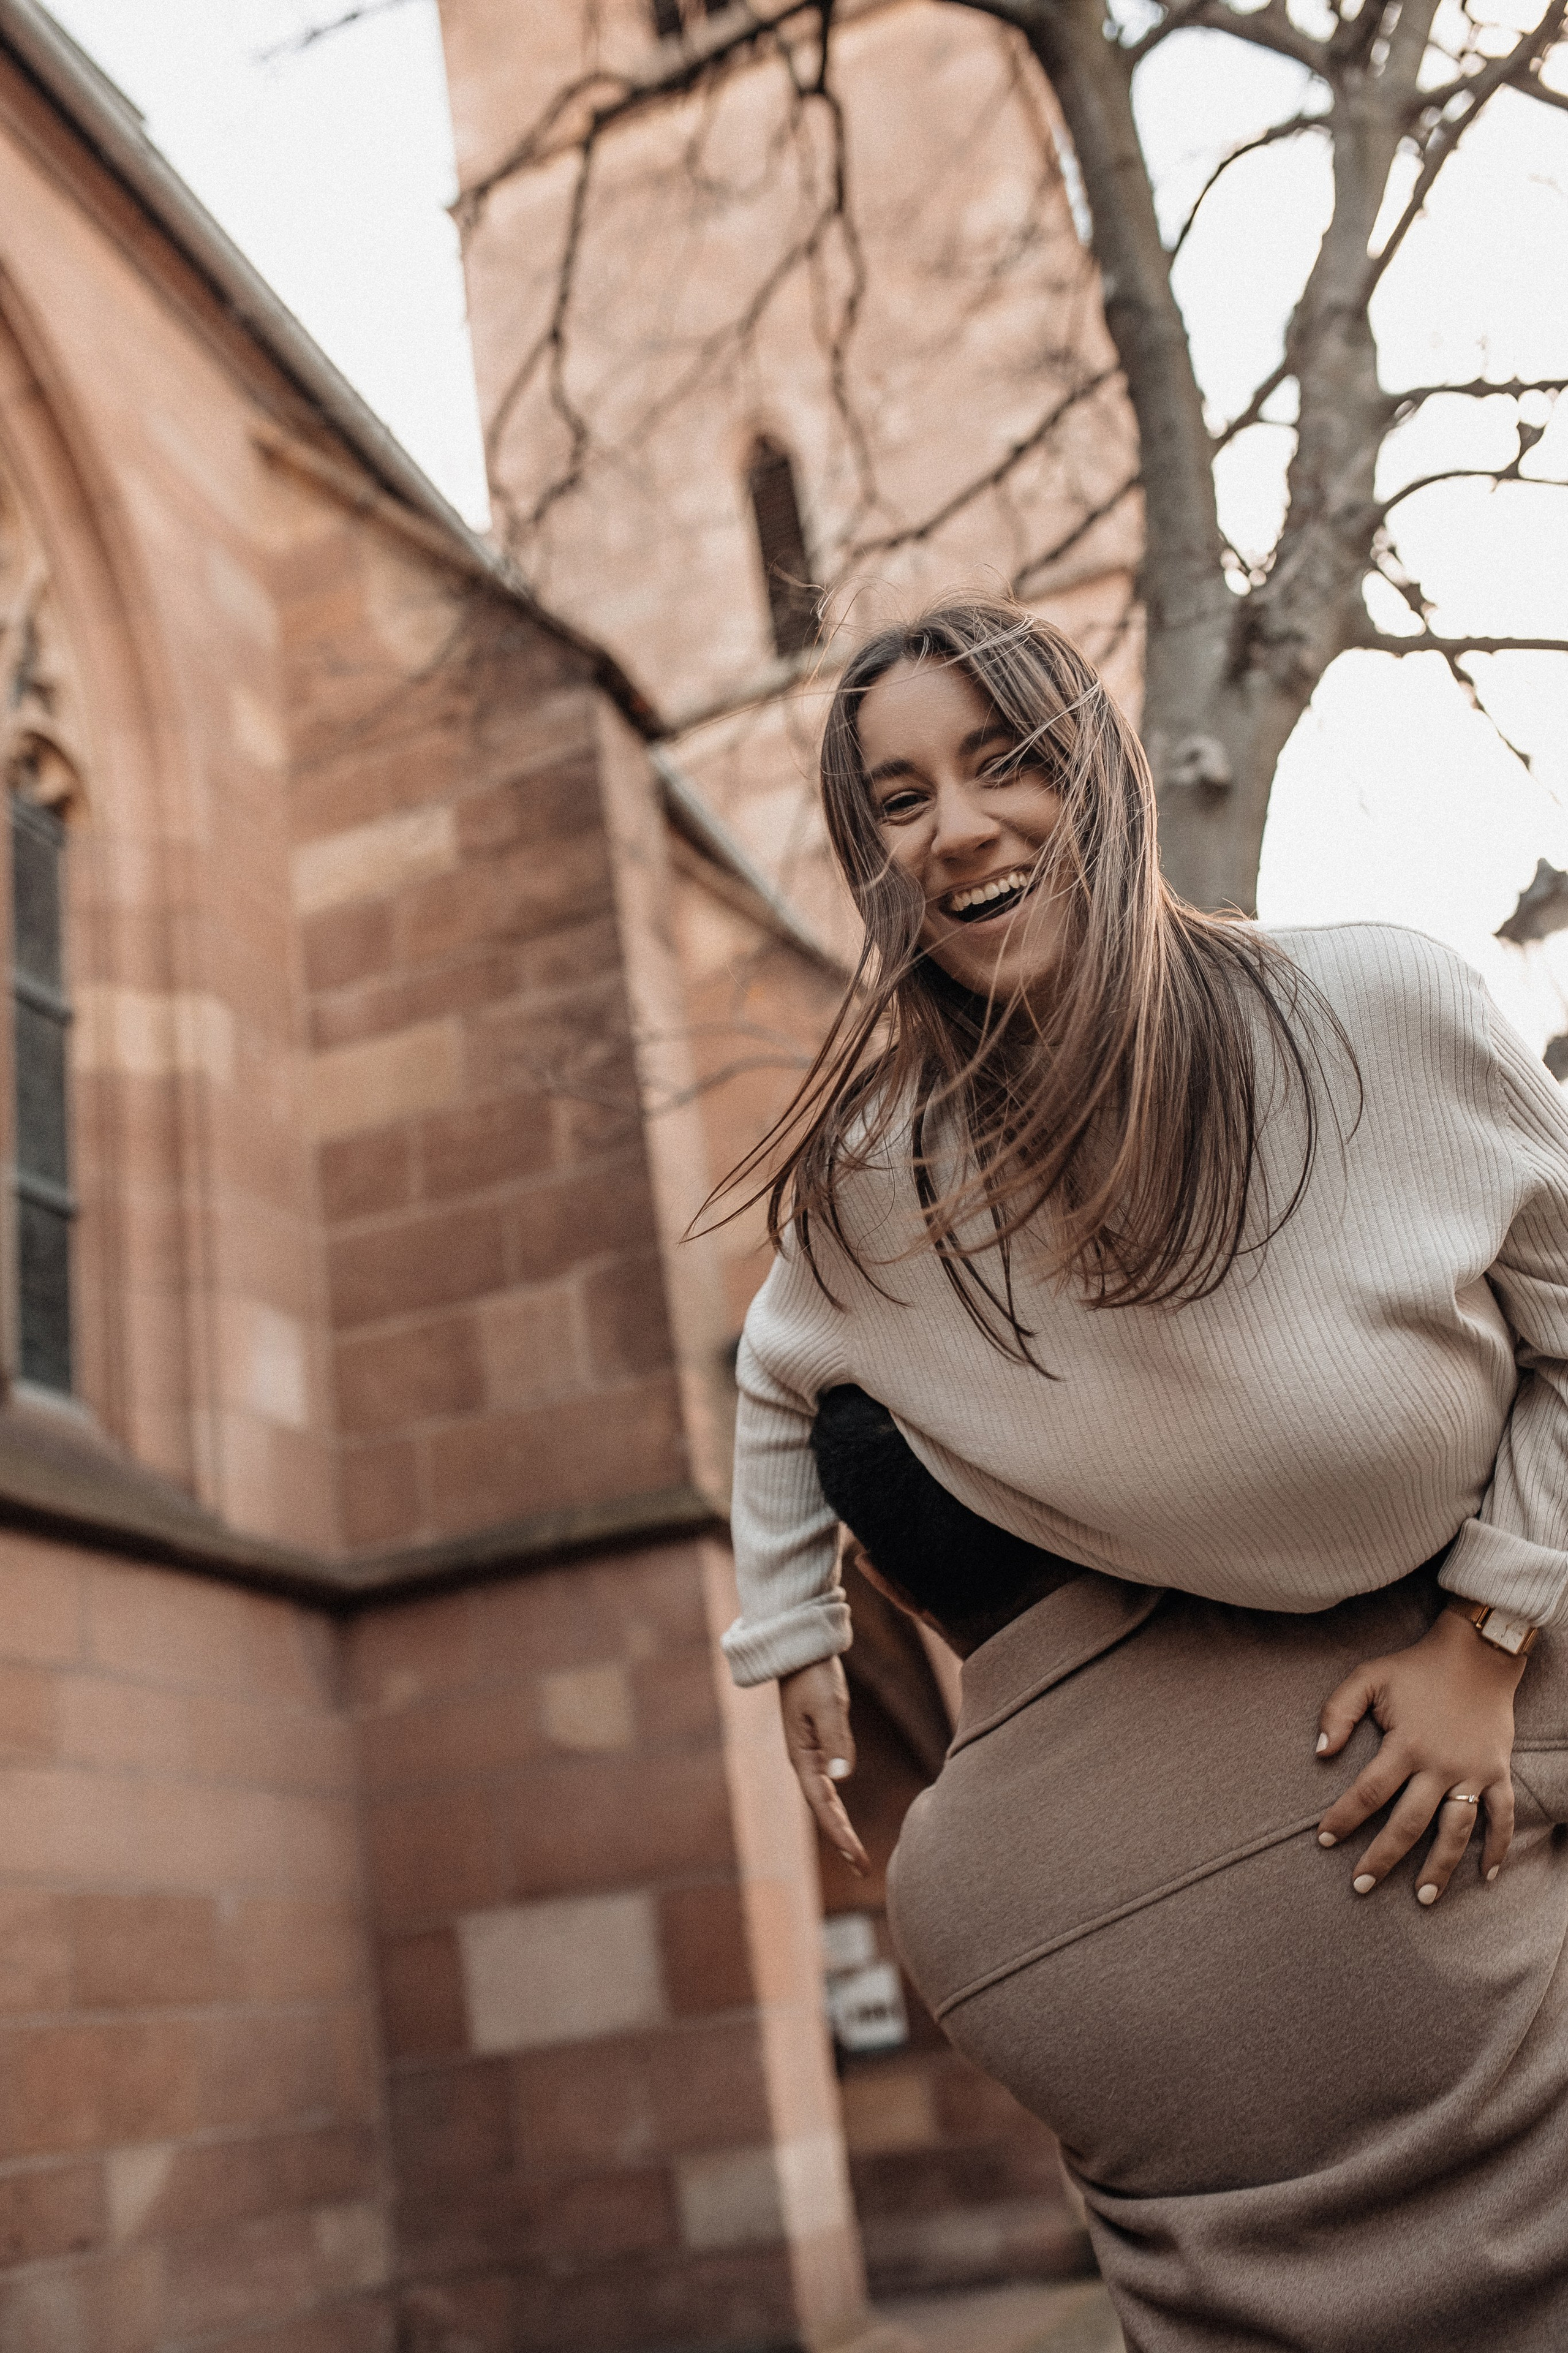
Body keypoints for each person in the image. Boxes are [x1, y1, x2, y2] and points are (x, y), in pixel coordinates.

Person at [712, 597, 1568, 2349]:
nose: (958, 823)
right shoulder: (888, 1182)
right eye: (896, 796)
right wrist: (780, 1616)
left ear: (1098, 768)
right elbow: (776, 1362)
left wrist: (1491, 1637)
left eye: (1004, 757)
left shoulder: (1384, 1007)